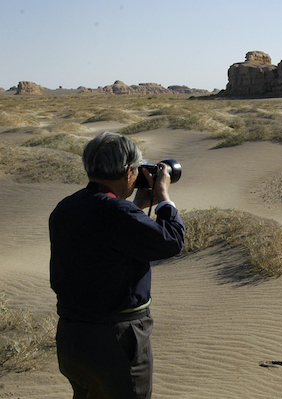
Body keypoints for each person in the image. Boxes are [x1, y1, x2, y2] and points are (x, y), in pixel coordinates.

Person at [49, 131, 185, 398]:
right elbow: (172, 241)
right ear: (127, 173)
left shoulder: (66, 207)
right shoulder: (119, 214)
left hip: (72, 336)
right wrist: (163, 197)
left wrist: (138, 206)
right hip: (117, 339)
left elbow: (105, 239)